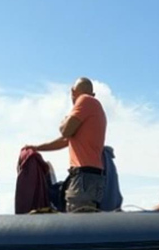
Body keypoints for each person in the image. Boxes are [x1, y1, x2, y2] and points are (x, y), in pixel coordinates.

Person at [25, 77, 107, 212]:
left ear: (72, 92)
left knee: (77, 224)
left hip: (83, 177)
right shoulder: (95, 108)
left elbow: (65, 131)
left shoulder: (85, 100)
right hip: (93, 176)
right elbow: (65, 141)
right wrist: (37, 148)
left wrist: (64, 121)